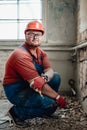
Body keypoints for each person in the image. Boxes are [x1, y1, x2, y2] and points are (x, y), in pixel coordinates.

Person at [2, 21, 66, 128]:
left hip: (29, 84)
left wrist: (45, 77)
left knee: (55, 76)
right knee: (50, 103)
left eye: (38, 34)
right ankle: (16, 113)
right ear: (25, 35)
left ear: (41, 36)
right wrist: (58, 97)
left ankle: (47, 111)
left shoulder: (41, 53)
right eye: (31, 34)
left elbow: (49, 70)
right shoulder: (20, 54)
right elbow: (36, 84)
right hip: (16, 90)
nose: (35, 37)